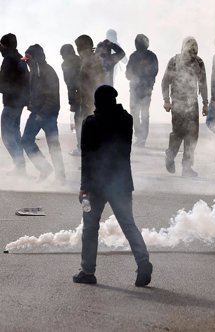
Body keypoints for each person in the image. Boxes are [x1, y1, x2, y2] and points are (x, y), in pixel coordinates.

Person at [73, 85, 153, 286]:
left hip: (96, 185)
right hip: (121, 182)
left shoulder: (91, 123)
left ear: (97, 102)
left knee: (90, 228)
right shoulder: (126, 119)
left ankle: (88, 271)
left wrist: (84, 187)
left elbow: (87, 157)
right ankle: (143, 261)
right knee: (128, 224)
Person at [161, 37, 208, 177]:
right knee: (178, 133)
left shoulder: (199, 62)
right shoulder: (174, 61)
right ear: (183, 49)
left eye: (194, 52)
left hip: (192, 103)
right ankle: (170, 155)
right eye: (190, 51)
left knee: (192, 136)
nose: (192, 55)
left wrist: (206, 103)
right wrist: (166, 100)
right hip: (178, 103)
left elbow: (203, 83)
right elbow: (165, 82)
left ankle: (187, 167)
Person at [21, 44, 65, 181]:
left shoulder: (48, 71)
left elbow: (53, 96)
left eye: (28, 58)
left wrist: (43, 113)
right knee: (26, 141)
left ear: (36, 58)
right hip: (36, 112)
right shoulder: (34, 70)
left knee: (53, 145)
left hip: (48, 114)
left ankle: (60, 177)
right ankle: (45, 168)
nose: (26, 60)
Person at [0, 33, 30, 175]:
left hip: (11, 102)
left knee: (6, 135)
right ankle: (20, 167)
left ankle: (19, 167)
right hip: (20, 101)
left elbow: (3, 83)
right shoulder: (20, 58)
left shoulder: (8, 60)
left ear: (4, 46)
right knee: (15, 132)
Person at [74, 35, 105, 156]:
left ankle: (93, 163)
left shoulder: (91, 61)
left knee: (90, 134)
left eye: (79, 47)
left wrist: (91, 104)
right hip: (89, 103)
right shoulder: (88, 60)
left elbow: (96, 83)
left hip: (91, 104)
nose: (78, 51)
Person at [125, 34, 158, 147]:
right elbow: (128, 74)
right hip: (139, 89)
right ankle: (141, 137)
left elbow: (153, 71)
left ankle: (141, 137)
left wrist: (140, 77)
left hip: (142, 89)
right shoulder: (143, 56)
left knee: (141, 114)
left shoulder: (141, 56)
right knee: (139, 114)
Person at [59, 44, 81, 134]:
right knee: (77, 119)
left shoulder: (80, 61)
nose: (63, 57)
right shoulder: (65, 64)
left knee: (80, 119)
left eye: (63, 55)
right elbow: (68, 83)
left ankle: (81, 145)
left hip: (81, 95)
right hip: (74, 96)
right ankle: (79, 145)